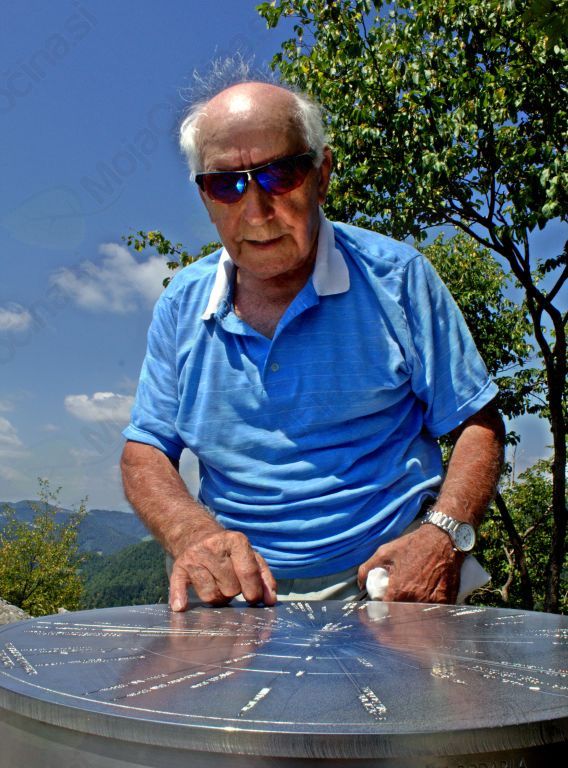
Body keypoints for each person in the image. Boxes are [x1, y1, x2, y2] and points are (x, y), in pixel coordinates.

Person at [121, 80, 505, 611]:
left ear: (322, 175)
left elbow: (478, 423)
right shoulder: (181, 305)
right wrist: (192, 535)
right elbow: (144, 450)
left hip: (390, 580)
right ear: (204, 197)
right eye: (225, 184)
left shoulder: (397, 279)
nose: (256, 211)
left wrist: (442, 535)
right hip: (237, 587)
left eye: (279, 175)